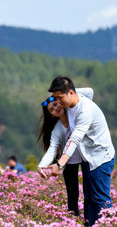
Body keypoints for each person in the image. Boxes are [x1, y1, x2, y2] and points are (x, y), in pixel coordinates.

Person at [40, 76, 115, 227]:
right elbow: (53, 147)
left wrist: (59, 165)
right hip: (88, 158)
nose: (58, 103)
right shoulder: (69, 107)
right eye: (55, 99)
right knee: (89, 197)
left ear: (71, 93)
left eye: (60, 98)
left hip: (100, 158)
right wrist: (59, 95)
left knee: (100, 198)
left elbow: (74, 139)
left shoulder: (84, 110)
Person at [36, 87, 94, 218]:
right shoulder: (57, 130)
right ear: (52, 115)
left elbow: (90, 92)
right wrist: (41, 165)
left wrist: (60, 94)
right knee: (72, 196)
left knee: (88, 194)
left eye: (56, 103)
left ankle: (88, 224)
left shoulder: (75, 112)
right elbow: (52, 150)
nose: (56, 108)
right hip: (68, 162)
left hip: (86, 158)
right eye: (52, 109)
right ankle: (73, 225)